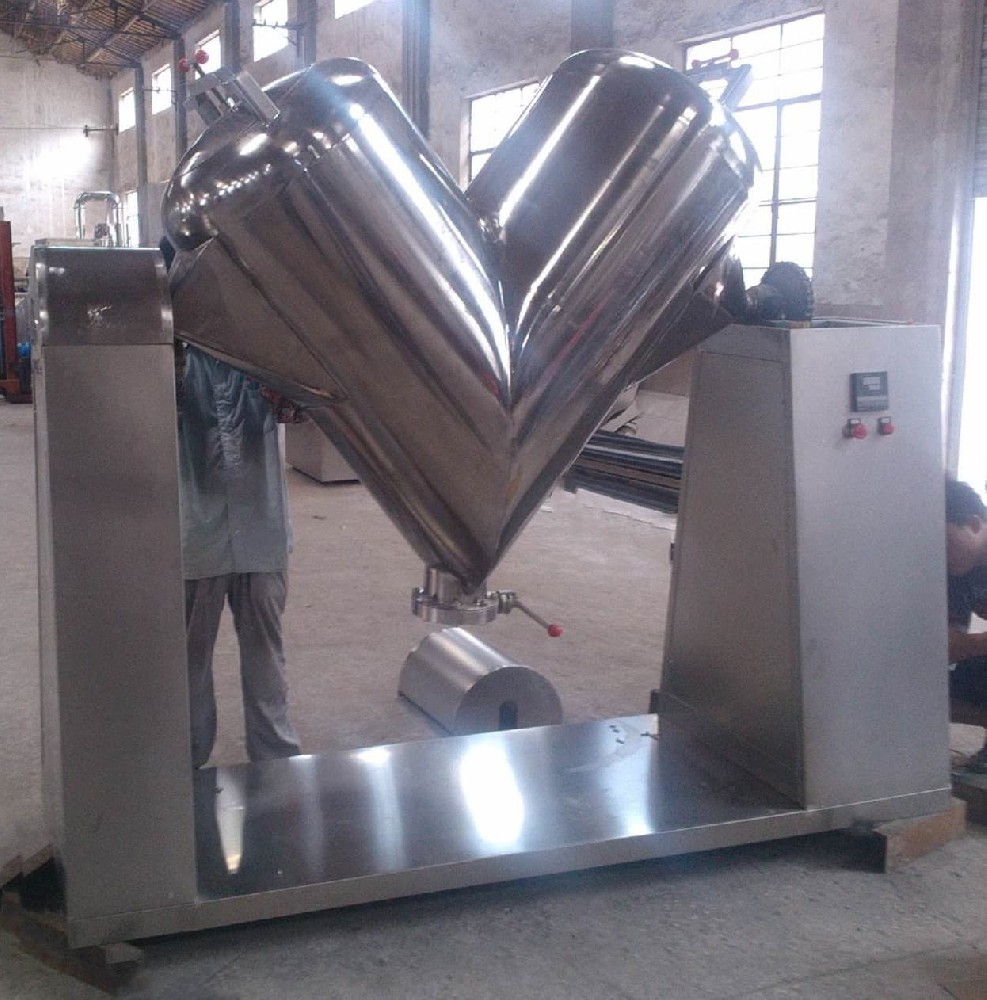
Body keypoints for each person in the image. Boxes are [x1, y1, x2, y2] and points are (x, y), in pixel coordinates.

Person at [178, 343, 303, 767]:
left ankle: (275, 757)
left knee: (265, 654)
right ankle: (186, 758)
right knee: (189, 658)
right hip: (197, 532)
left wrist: (284, 390)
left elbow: (300, 409)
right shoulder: (174, 353)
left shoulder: (259, 348)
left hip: (260, 527)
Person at [945, 478, 987, 772]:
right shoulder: (957, 571)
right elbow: (947, 646)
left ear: (973, 524)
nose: (942, 555)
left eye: (946, 544)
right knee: (928, 684)